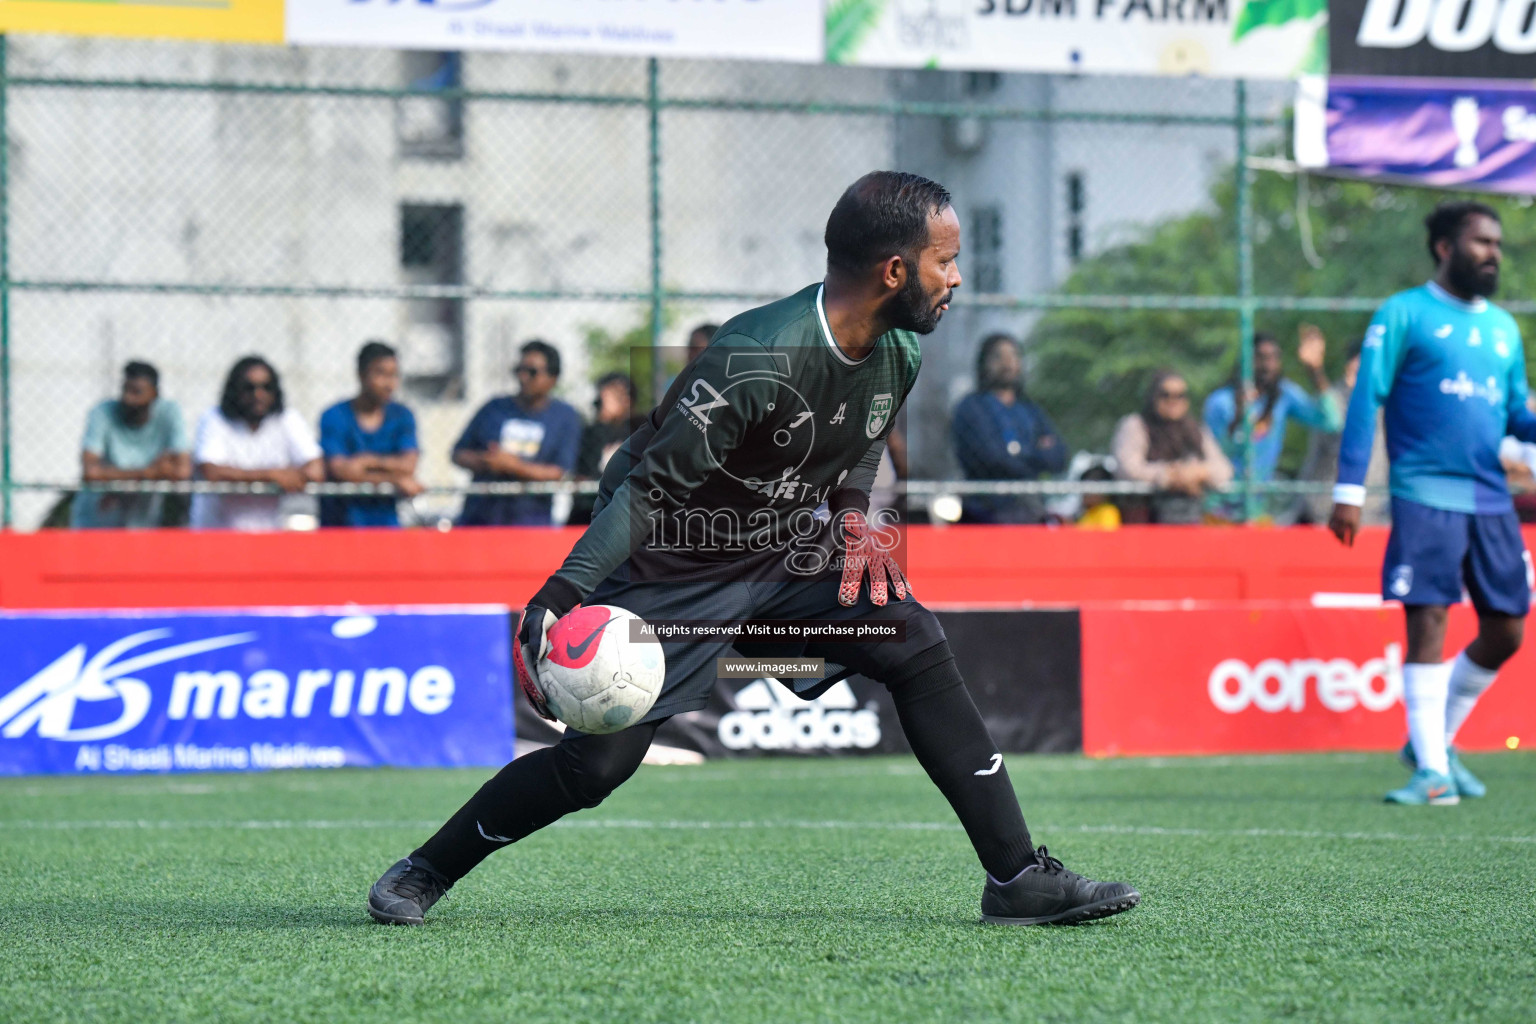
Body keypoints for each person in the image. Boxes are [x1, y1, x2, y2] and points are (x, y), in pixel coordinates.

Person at [367, 171, 1139, 928]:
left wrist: (846, 515)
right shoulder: (757, 358)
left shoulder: (901, 347)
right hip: (669, 568)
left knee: (913, 639)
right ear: (895, 270)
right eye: (946, 260)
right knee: (594, 769)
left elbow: (861, 439)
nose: (958, 277)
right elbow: (647, 492)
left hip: (784, 556)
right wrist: (559, 597)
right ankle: (426, 869)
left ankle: (1016, 878)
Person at [1329, 200, 1536, 805]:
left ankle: (1432, 744)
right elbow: (1367, 399)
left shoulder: (1503, 328)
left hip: (1491, 497)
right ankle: (1433, 774)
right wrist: (1348, 490)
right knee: (1428, 620)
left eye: (1497, 243)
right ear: (1445, 247)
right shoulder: (1403, 314)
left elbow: (1516, 412)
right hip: (1424, 491)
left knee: (1507, 631)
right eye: (1481, 242)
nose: (1493, 253)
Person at [1204, 328, 1341, 518]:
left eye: (1274, 357)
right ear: (1246, 360)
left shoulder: (1283, 396)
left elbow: (1331, 422)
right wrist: (1238, 418)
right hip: (1220, 507)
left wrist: (1315, 371)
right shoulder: (1221, 402)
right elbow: (1214, 454)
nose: (1268, 365)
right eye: (1261, 357)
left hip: (1259, 508)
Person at [452, 340, 582, 526]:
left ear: (552, 378)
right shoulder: (494, 408)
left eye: (532, 372)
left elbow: (559, 472)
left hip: (530, 524)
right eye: (518, 370)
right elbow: (458, 454)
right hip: (480, 520)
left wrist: (513, 466)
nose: (523, 377)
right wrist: (486, 461)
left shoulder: (565, 417)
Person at [190, 356, 323, 531]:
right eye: (249, 388)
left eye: (266, 387)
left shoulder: (288, 419)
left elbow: (316, 470)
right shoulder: (214, 419)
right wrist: (271, 475)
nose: (258, 395)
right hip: (217, 532)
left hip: (271, 533)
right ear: (234, 390)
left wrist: (287, 476)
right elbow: (211, 471)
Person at [951, 333, 1067, 524]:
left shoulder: (1029, 409)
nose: (1007, 363)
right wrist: (1037, 453)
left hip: (1030, 510)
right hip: (985, 511)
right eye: (998, 357)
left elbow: (1059, 456)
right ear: (984, 364)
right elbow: (993, 458)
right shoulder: (972, 407)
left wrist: (1016, 453)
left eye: (1013, 356)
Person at [72, 361, 191, 529]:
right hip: (98, 520)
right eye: (125, 390)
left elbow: (182, 470)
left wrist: (113, 474)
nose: (128, 398)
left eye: (136, 392)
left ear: (154, 394)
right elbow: (91, 472)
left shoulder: (169, 412)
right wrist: (148, 472)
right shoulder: (102, 412)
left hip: (142, 521)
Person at [318, 341, 423, 528]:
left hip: (386, 527)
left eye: (394, 375)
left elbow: (408, 466)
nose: (389, 384)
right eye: (381, 374)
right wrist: (393, 478)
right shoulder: (334, 416)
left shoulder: (402, 416)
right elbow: (341, 471)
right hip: (341, 527)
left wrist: (367, 461)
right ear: (361, 375)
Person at [1112, 370, 1232, 524]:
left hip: (1190, 517)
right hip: (1145, 518)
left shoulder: (1194, 429)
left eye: (1180, 395)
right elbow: (1127, 468)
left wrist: (1198, 472)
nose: (1173, 401)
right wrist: (1167, 475)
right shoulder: (1136, 425)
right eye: (1165, 395)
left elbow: (1224, 469)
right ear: (1153, 396)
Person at [1298, 338, 1389, 526]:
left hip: (1374, 513)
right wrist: (1315, 371)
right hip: (1326, 511)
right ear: (1351, 365)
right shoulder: (1336, 398)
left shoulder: (1383, 402)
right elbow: (1334, 419)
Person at [569, 372, 645, 526]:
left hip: (628, 512)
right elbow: (585, 469)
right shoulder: (592, 432)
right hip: (589, 511)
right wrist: (603, 420)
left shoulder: (641, 428)